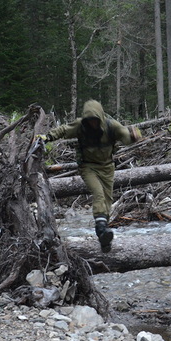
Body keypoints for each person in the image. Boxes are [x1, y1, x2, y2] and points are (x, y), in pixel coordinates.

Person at [41, 99, 142, 252]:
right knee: (98, 193)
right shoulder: (80, 126)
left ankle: (103, 237)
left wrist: (133, 136)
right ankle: (101, 229)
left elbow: (125, 135)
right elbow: (63, 130)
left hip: (107, 167)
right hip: (87, 167)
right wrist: (46, 137)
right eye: (90, 120)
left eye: (95, 120)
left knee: (107, 200)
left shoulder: (111, 126)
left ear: (100, 118)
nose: (93, 123)